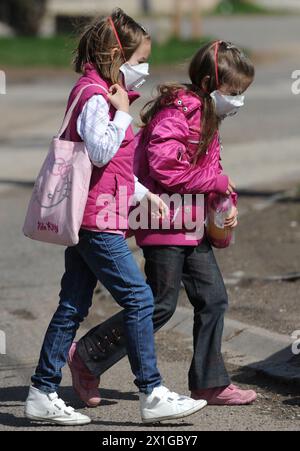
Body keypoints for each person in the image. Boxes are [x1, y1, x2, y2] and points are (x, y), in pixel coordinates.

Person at [24, 8, 207, 426]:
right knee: (141, 299)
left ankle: (41, 390)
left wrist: (145, 194)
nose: (145, 68)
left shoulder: (103, 92)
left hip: (99, 212)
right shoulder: (95, 96)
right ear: (114, 54)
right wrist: (122, 110)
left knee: (73, 303)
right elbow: (101, 151)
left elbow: (112, 167)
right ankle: (152, 391)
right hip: (95, 221)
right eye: (140, 59)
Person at [68, 40, 258, 408]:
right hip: (162, 220)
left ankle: (210, 383)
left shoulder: (207, 113)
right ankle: (87, 356)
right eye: (234, 92)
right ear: (208, 83)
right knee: (159, 305)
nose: (239, 101)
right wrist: (215, 184)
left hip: (191, 222)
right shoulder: (178, 112)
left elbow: (211, 170)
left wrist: (224, 201)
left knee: (213, 299)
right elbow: (165, 168)